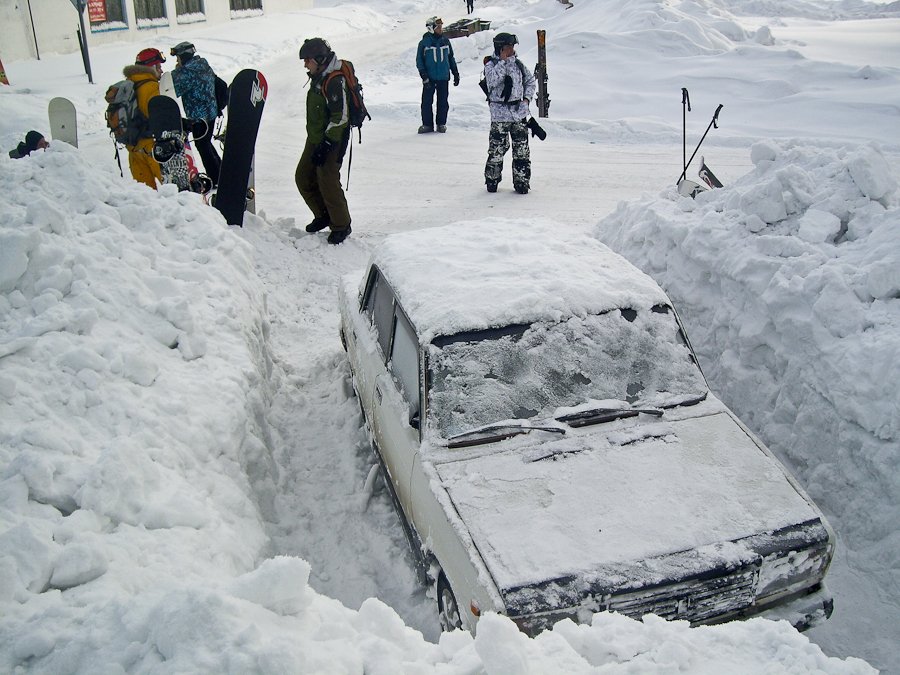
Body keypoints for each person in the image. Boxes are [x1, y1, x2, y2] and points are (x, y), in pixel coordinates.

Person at [294, 37, 353, 245]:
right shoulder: (318, 76)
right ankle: (323, 214)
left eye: (307, 60)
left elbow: (341, 116)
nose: (305, 64)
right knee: (303, 176)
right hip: (316, 138)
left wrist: (327, 143)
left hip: (333, 138)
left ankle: (341, 224)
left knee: (327, 178)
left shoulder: (335, 80)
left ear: (319, 59)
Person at [482, 33, 536, 194]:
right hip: (500, 115)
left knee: (522, 150)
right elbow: (492, 81)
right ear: (500, 48)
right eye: (508, 47)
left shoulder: (518, 64)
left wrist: (526, 99)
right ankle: (492, 180)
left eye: (512, 47)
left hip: (518, 114)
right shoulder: (491, 65)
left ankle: (522, 182)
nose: (512, 50)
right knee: (497, 149)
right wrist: (502, 62)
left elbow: (530, 81)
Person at [170, 41, 221, 187]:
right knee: (205, 143)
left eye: (178, 57)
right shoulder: (202, 64)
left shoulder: (187, 72)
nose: (177, 61)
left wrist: (177, 71)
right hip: (210, 112)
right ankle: (221, 171)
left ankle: (217, 178)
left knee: (203, 146)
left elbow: (174, 89)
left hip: (199, 117)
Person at [124, 48, 165, 189]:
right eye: (158, 66)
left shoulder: (127, 86)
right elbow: (161, 118)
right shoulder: (152, 87)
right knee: (174, 191)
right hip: (153, 148)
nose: (161, 70)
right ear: (151, 67)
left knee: (147, 198)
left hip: (133, 149)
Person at [416, 17, 460, 134]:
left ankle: (441, 123)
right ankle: (427, 124)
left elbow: (451, 58)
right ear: (431, 28)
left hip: (443, 77)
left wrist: (455, 73)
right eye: (438, 27)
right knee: (426, 102)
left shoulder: (445, 41)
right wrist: (424, 75)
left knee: (443, 102)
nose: (441, 29)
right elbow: (419, 61)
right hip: (429, 78)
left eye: (441, 27)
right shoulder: (424, 43)